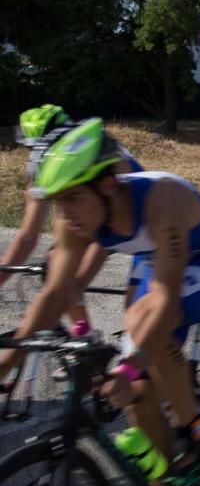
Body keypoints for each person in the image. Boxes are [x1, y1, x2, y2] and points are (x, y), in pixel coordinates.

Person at [0, 119, 200, 485]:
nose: (65, 215)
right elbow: (55, 292)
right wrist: (7, 363)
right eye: (58, 202)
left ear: (107, 185)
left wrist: (129, 365)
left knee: (147, 331)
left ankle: (196, 432)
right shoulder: (78, 216)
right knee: (137, 395)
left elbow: (164, 299)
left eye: (73, 199)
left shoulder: (162, 199)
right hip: (156, 261)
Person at [1, 106, 144, 345]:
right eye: (31, 150)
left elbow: (106, 230)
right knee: (56, 263)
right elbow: (28, 235)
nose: (35, 157)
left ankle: (94, 349)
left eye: (36, 149)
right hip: (87, 222)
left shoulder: (90, 158)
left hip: (123, 223)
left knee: (70, 285)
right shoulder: (50, 165)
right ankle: (84, 335)